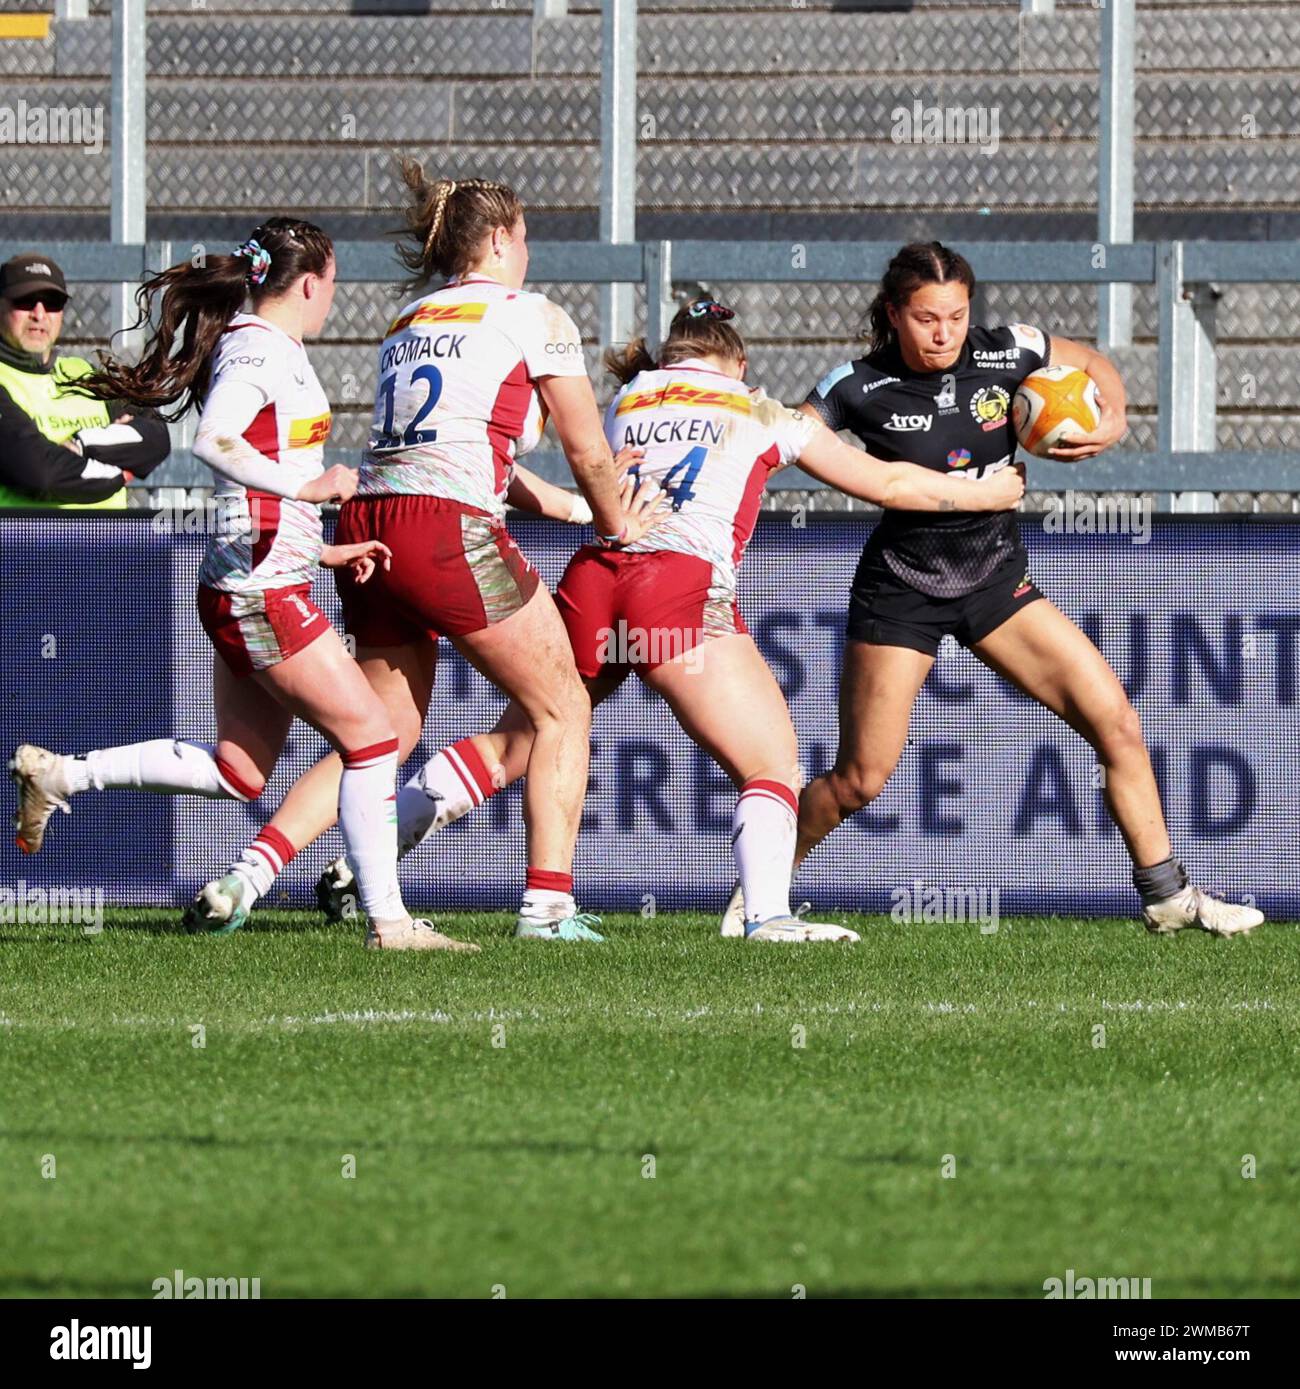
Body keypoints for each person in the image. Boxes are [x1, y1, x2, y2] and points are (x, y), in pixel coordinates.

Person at [231, 300, 1026, 944]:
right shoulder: (760, 407)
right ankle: (769, 917)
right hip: (675, 588)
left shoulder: (628, 398)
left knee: (522, 738)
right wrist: (988, 494)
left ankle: (366, 860)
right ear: (738, 362)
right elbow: (887, 481)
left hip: (594, 578)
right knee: (773, 763)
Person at [718, 241, 1261, 940]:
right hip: (903, 589)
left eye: (955, 314)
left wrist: (1114, 418)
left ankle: (1168, 894)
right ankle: (762, 892)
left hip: (996, 584)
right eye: (925, 318)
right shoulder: (856, 385)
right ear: (893, 314)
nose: (943, 331)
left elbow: (1094, 365)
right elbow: (789, 440)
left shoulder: (1011, 352)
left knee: (1116, 721)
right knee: (860, 779)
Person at [182, 166, 655, 942]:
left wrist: (566, 505)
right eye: (526, 236)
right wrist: (613, 521)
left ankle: (249, 874)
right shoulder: (535, 314)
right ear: (500, 238)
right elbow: (587, 445)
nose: (529, 252)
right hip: (445, 530)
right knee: (562, 703)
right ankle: (547, 907)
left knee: (380, 731)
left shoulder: (408, 317)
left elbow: (469, 452)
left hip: (373, 519)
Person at [8, 218, 469, 952]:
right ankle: (390, 922)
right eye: (333, 284)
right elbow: (213, 441)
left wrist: (325, 549)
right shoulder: (261, 350)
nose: (331, 301)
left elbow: (249, 489)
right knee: (376, 738)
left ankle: (62, 775)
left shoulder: (260, 345)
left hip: (251, 574)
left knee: (240, 772)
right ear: (312, 281)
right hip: (260, 588)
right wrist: (310, 485)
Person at [0, 252, 169, 507]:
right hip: (25, 544)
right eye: (25, 301)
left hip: (110, 544)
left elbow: (156, 437)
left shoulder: (83, 373)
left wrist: (82, 444)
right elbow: (42, 473)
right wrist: (116, 472)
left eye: (52, 302)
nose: (39, 313)